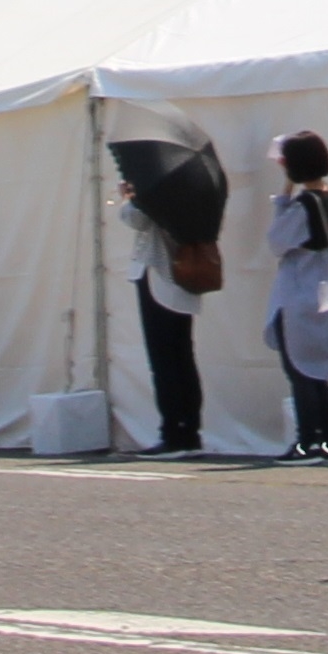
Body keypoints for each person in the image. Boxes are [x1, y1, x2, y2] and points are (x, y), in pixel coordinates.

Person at [266, 130, 328, 460]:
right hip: (322, 292)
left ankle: (307, 440)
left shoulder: (303, 205)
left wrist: (284, 196)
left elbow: (276, 241)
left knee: (298, 371)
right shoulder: (327, 195)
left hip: (298, 293)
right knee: (318, 371)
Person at [118, 178, 213, 453]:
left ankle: (173, 432)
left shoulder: (158, 189)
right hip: (185, 279)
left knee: (163, 360)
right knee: (183, 356)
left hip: (159, 276)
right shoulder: (198, 193)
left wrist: (128, 198)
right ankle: (189, 431)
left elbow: (136, 219)